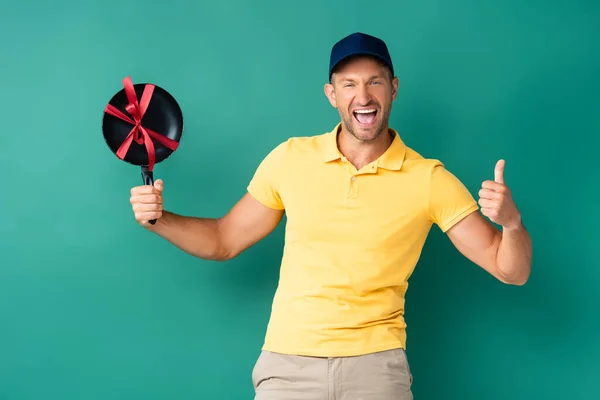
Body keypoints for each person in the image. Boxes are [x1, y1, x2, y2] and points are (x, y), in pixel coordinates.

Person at [129, 32, 532, 400]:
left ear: (393, 89)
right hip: (288, 366)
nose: (364, 96)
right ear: (331, 94)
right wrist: (159, 219)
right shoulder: (290, 158)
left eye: (375, 81)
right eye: (349, 84)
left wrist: (511, 223)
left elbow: (509, 269)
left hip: (376, 369)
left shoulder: (429, 179)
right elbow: (223, 239)